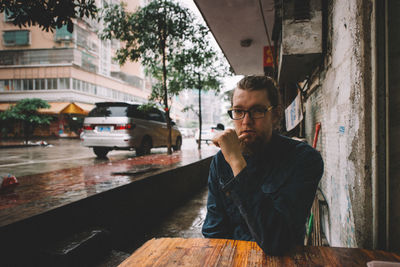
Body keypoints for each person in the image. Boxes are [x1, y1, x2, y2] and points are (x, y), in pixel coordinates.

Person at [202, 75, 324, 255]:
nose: (246, 121)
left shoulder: (304, 159)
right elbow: (213, 231)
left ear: (275, 115)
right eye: (238, 111)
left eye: (257, 110)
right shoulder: (221, 160)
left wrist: (237, 162)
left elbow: (277, 241)